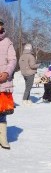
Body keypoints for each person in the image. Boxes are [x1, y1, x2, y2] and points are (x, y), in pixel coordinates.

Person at [0, 18, 17, 149]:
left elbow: (12, 60)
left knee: (1, 112)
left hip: (3, 82)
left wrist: (6, 73)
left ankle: (3, 138)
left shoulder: (7, 42)